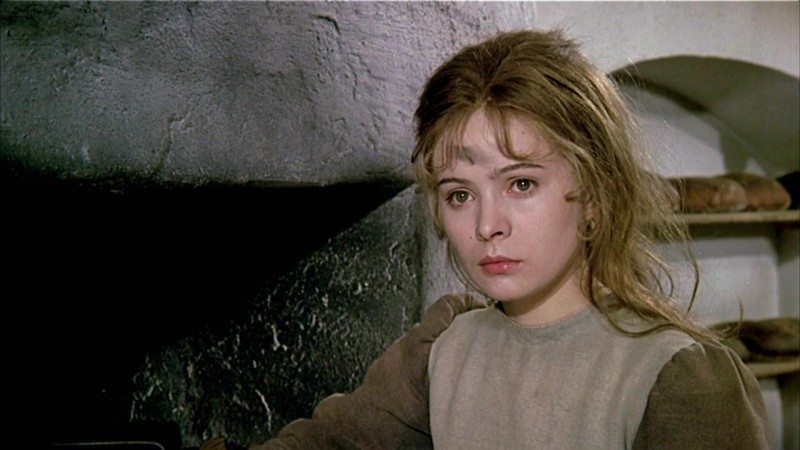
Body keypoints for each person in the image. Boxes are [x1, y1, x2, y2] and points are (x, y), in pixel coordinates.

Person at [241, 28, 769, 449]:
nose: (486, 225)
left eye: (521, 184)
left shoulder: (678, 376)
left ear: (596, 195)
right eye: (459, 194)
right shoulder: (446, 347)